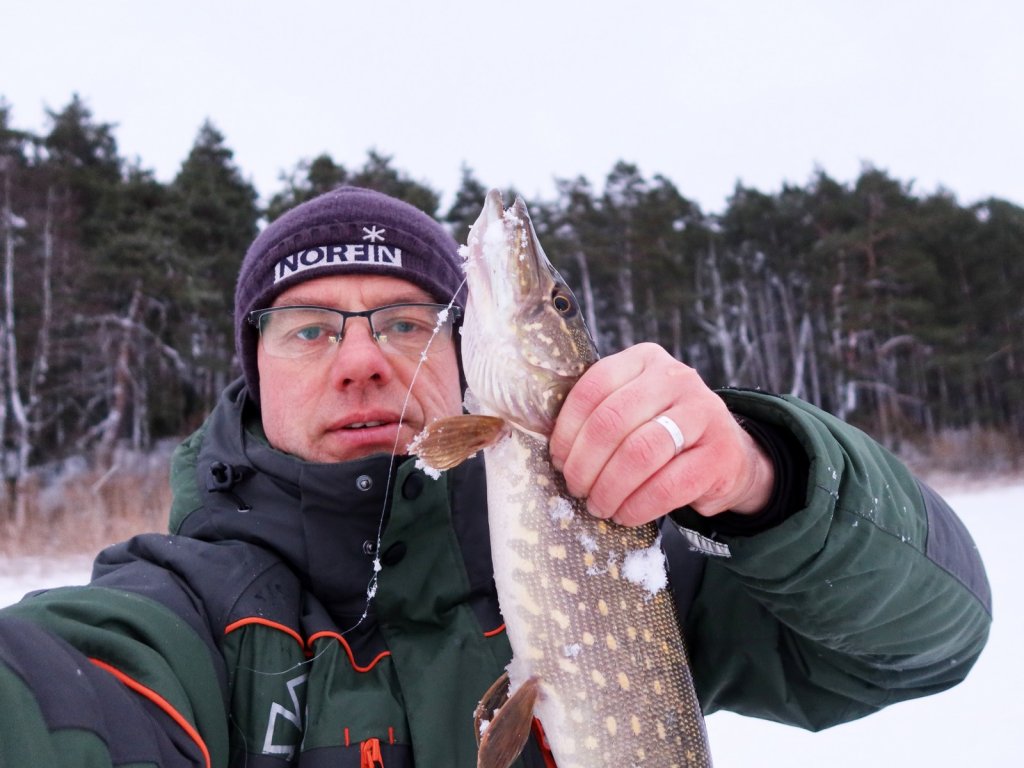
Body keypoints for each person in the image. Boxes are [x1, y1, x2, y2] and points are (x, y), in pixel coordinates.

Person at [0, 187, 991, 767]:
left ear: (460, 350)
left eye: (403, 322)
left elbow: (925, 643)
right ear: (252, 371)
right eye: (308, 330)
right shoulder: (181, 614)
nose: (362, 361)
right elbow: (60, 698)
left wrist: (767, 476)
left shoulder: (626, 549)